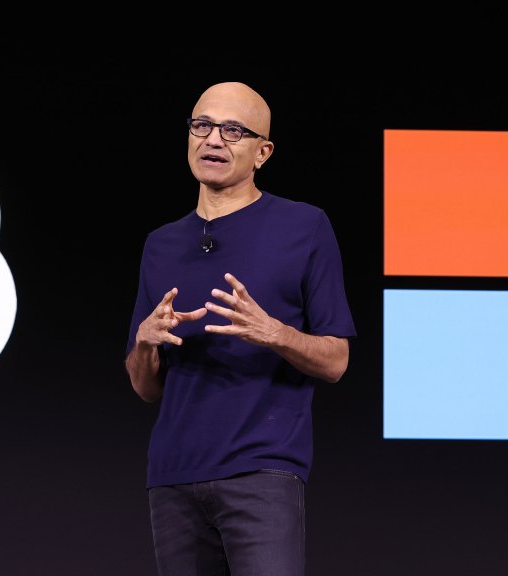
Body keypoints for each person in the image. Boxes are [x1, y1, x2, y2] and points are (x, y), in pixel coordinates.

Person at [124, 81, 356, 576]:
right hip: (172, 477)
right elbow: (145, 388)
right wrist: (145, 342)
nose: (213, 140)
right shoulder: (160, 244)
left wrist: (273, 332)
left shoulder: (305, 227)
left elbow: (336, 361)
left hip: (262, 473)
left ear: (262, 152)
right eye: (202, 126)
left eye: (233, 130)